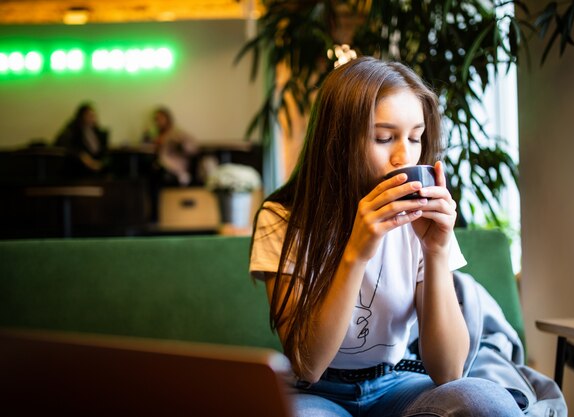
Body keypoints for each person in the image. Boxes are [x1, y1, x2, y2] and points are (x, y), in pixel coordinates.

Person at [249, 57, 524, 416]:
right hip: (316, 392)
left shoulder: (420, 216)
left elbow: (449, 372)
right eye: (383, 137)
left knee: (484, 402)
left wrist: (437, 251)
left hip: (398, 382)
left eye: (415, 137)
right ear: (337, 141)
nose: (404, 156)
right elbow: (307, 365)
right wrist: (356, 252)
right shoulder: (283, 219)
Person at [143, 106, 198, 186]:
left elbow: (192, 147)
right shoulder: (157, 135)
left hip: (176, 165)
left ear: (167, 119)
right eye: (156, 119)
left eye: (161, 118)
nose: (158, 121)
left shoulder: (176, 133)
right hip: (162, 165)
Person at [55, 102, 109, 173]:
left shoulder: (97, 132)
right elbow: (66, 146)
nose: (91, 118)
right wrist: (83, 157)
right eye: (88, 115)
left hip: (97, 169)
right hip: (77, 169)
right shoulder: (73, 130)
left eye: (92, 115)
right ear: (81, 116)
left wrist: (99, 164)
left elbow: (102, 152)